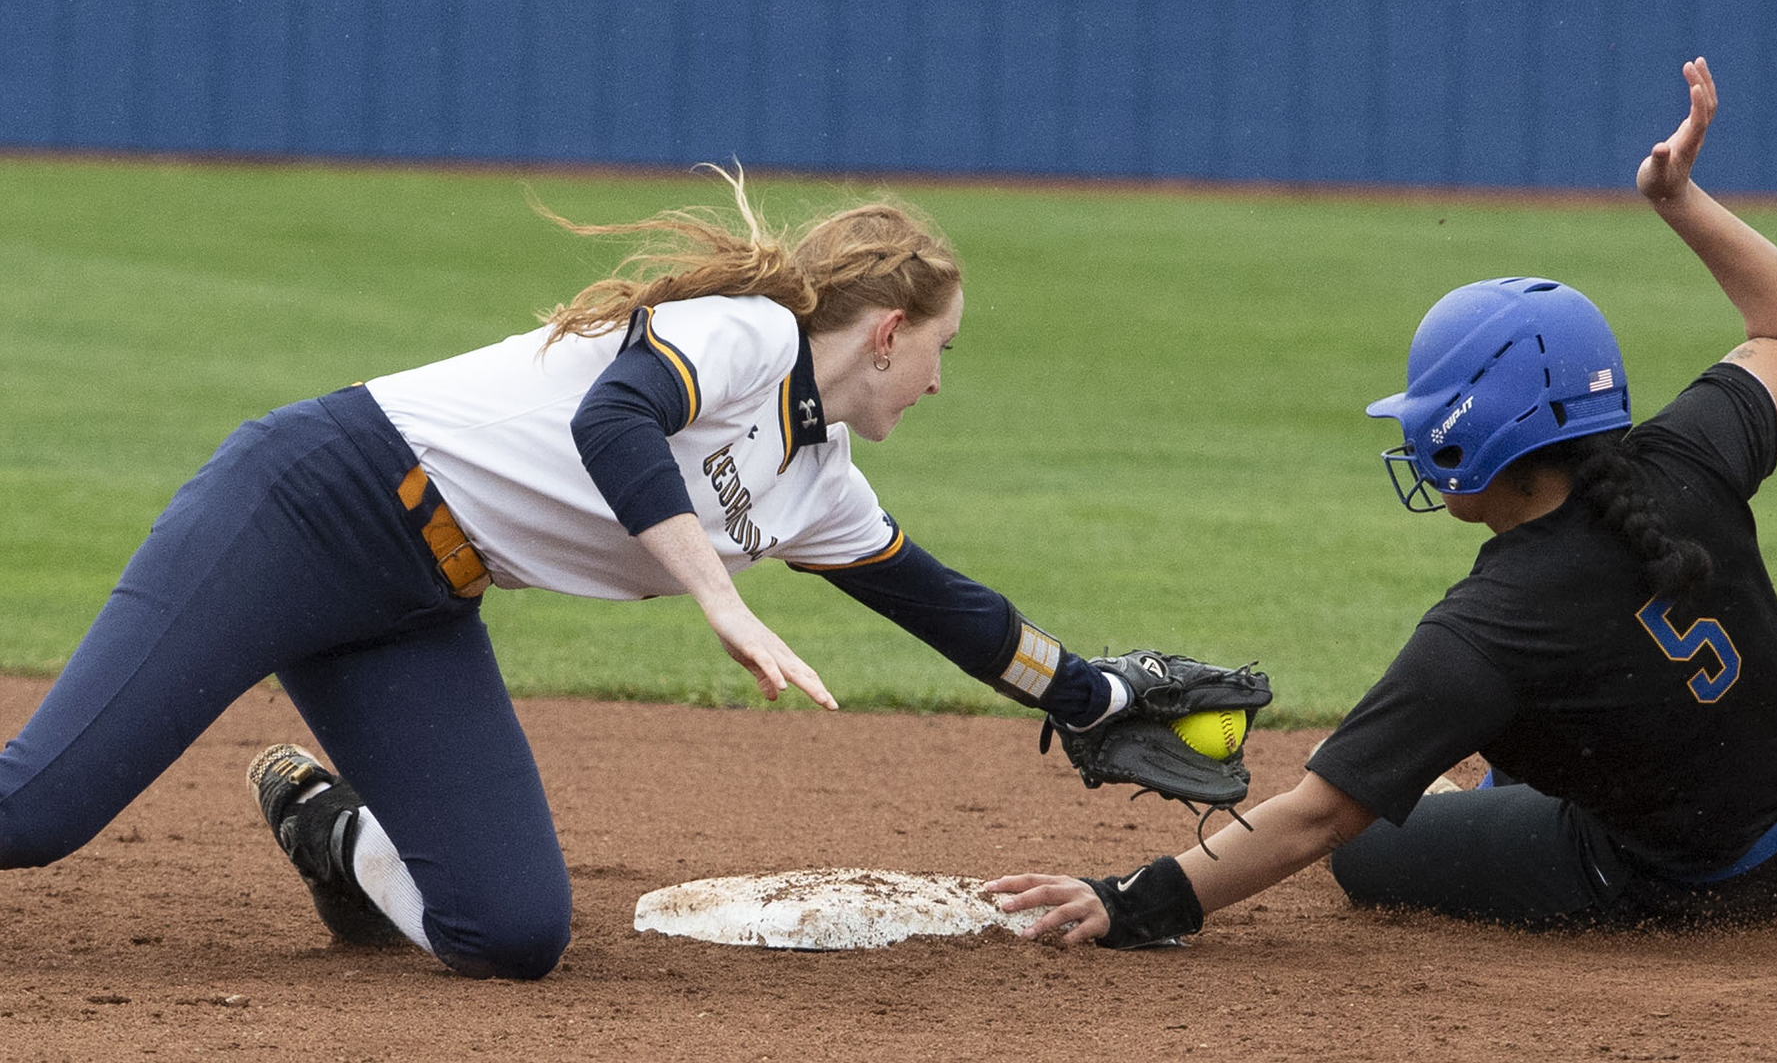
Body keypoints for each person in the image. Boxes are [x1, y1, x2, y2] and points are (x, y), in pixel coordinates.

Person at [0, 166, 1146, 979]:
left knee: (509, 934)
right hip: (310, 506)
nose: (939, 382)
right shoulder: (750, 335)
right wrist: (718, 595)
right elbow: (619, 422)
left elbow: (945, 605)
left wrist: (1092, 693)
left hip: (414, 603)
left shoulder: (821, 481)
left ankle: (331, 835)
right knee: (38, 811)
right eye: (943, 348)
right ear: (890, 331)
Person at [988, 57, 1777, 946]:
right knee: (1558, 705)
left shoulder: (1487, 627)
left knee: (1369, 857)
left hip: (1713, 876)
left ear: (1475, 437)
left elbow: (1319, 819)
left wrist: (1130, 901)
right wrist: (1678, 199)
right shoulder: (1683, 454)